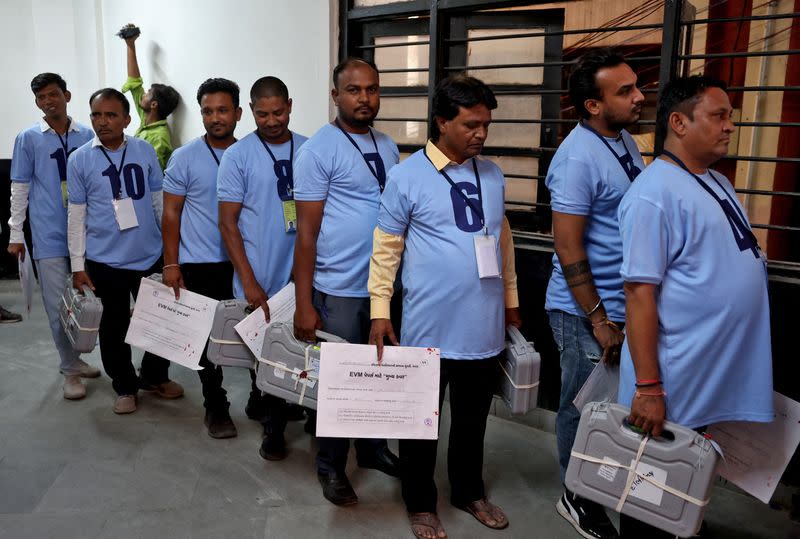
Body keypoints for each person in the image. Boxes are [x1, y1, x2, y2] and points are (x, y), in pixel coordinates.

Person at [617, 75, 773, 538]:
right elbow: (639, 293)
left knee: (681, 490)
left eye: (731, 117)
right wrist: (647, 386)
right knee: (649, 494)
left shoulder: (715, 181)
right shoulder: (653, 192)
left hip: (707, 370)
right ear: (679, 123)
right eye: (718, 116)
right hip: (670, 378)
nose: (729, 127)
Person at [369, 74, 521, 539]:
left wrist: (511, 303)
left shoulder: (491, 174)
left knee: (473, 421)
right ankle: (420, 502)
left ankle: (468, 492)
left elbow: (503, 242)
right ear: (441, 121)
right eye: (471, 124)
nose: (481, 133)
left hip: (484, 325)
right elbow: (386, 247)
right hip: (428, 326)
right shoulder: (407, 176)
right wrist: (379, 310)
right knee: (420, 423)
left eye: (486, 125)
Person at [544, 49, 645, 539]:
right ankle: (575, 495)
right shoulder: (576, 158)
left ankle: (600, 485)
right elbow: (568, 244)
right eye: (624, 91)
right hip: (584, 311)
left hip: (623, 306)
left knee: (614, 409)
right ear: (592, 105)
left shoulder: (625, 140)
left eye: (635, 86)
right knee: (582, 407)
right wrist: (599, 316)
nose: (639, 95)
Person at [293, 57, 401, 506]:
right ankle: (331, 467)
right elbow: (305, 234)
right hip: (338, 288)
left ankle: (373, 449)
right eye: (354, 90)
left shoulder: (389, 145)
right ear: (335, 95)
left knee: (377, 376)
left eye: (372, 89)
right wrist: (304, 302)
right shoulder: (319, 149)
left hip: (384, 288)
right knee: (340, 383)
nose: (365, 98)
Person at [67, 88, 183, 414]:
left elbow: (160, 203)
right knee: (114, 327)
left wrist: (172, 253)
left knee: (162, 320)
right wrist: (78, 265)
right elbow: (76, 217)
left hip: (149, 254)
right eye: (96, 115)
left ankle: (154, 375)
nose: (102, 122)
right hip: (105, 260)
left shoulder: (145, 150)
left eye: (111, 115)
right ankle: (124, 385)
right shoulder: (80, 160)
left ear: (126, 119)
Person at [217, 76, 306, 458]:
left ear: (290, 104)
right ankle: (273, 428)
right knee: (265, 352)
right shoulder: (238, 156)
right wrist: (249, 281)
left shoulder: (309, 149)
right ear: (251, 111)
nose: (272, 121)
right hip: (259, 271)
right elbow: (227, 223)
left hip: (299, 271)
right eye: (263, 114)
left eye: (279, 112)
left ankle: (275, 404)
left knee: (297, 349)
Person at [7, 73, 101, 399]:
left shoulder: (88, 135)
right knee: (56, 305)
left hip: (87, 234)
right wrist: (15, 233)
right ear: (37, 103)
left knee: (88, 301)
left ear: (67, 95)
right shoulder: (28, 138)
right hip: (47, 234)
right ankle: (69, 368)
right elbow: (19, 188)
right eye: (41, 98)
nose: (48, 102)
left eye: (53, 95)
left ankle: (77, 357)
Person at [161, 78, 243, 438]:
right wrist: (171, 263)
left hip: (244, 263)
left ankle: (262, 396)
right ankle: (216, 405)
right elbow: (171, 215)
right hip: (200, 263)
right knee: (207, 341)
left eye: (222, 110)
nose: (215, 118)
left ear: (238, 113)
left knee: (251, 335)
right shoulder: (185, 157)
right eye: (208, 111)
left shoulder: (251, 153)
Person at [121, 26, 179, 170]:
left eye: (147, 93)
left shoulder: (159, 137)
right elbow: (135, 83)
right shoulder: (146, 118)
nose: (143, 95)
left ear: (153, 105)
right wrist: (130, 44)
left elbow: (152, 172)